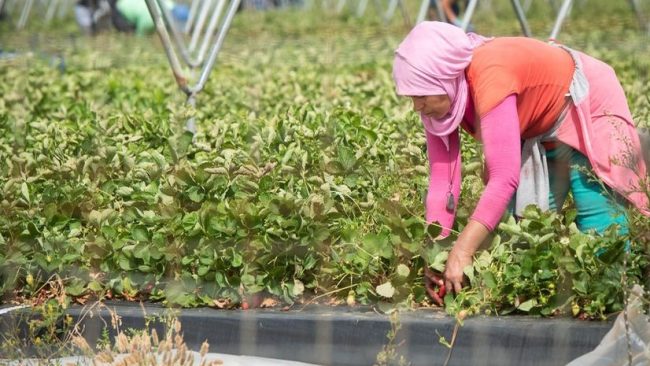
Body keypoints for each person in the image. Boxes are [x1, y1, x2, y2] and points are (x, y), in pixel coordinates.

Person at [391, 22, 650, 305]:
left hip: (586, 104)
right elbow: (443, 181)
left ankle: (614, 306)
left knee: (601, 230)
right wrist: (436, 253)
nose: (417, 106)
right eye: (411, 97)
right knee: (526, 234)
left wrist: (463, 250)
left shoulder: (489, 73)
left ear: (445, 78)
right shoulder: (440, 101)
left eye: (422, 96)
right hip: (538, 125)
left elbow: (504, 177)